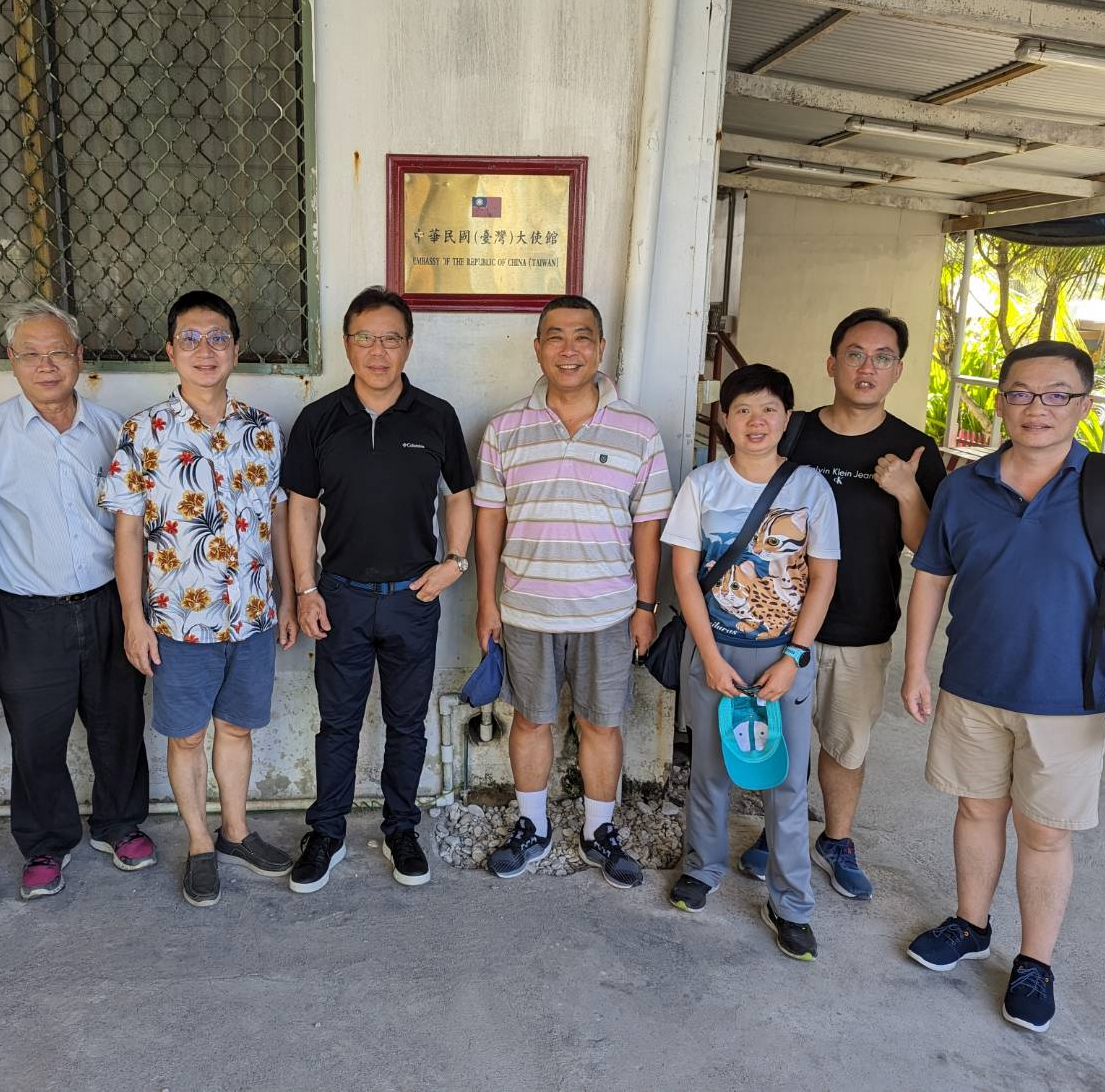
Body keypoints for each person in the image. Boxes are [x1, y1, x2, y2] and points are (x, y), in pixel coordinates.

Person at [901, 339, 1105, 1033]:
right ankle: (971, 925)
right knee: (975, 811)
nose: (1037, 408)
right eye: (1021, 393)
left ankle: (1035, 961)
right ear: (1000, 400)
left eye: (1057, 394)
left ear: (1083, 406)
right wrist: (915, 666)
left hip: (1068, 697)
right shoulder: (966, 486)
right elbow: (932, 576)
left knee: (1047, 835)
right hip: (971, 684)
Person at [0, 299, 153, 901]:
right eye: (31, 354)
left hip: (109, 604)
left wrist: (139, 608)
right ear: (11, 361)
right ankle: (44, 843)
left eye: (58, 352)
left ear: (79, 359)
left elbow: (137, 525)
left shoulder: (116, 430)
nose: (46, 365)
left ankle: (119, 824)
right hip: (24, 613)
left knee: (119, 722)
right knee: (36, 736)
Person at [737, 308, 944, 899]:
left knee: (844, 741)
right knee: (778, 733)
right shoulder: (793, 431)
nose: (867, 367)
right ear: (832, 363)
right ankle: (780, 829)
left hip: (861, 623)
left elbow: (928, 548)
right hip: (775, 620)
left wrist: (906, 492)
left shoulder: (913, 448)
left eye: (882, 357)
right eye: (855, 353)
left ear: (898, 370)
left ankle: (837, 838)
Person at [103, 290, 298, 908]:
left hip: (253, 617)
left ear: (237, 349)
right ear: (170, 351)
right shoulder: (144, 432)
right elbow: (127, 532)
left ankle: (236, 831)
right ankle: (200, 842)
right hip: (180, 621)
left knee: (237, 729)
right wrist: (134, 620)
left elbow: (281, 522)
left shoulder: (263, 431)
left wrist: (290, 599)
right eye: (190, 338)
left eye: (218, 338)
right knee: (186, 737)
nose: (205, 350)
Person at [475, 295, 672, 887]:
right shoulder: (505, 429)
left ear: (601, 348)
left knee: (601, 724)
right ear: (537, 348)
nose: (569, 349)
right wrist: (486, 601)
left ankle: (598, 832)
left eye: (582, 337)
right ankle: (532, 827)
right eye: (555, 337)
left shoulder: (639, 431)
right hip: (527, 608)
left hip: (608, 612)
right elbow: (490, 520)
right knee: (531, 720)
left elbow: (649, 528)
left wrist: (645, 607)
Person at [283, 286, 474, 893]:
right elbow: (301, 508)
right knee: (336, 723)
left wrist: (455, 562)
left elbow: (461, 495)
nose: (378, 350)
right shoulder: (320, 420)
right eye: (365, 338)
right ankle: (328, 832)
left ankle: (401, 828)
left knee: (407, 722)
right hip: (337, 596)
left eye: (391, 338)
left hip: (411, 599)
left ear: (408, 346)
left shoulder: (436, 415)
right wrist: (306, 588)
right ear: (347, 345)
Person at [662, 364, 839, 961]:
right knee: (710, 771)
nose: (756, 421)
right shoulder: (703, 484)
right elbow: (684, 576)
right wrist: (709, 657)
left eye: (768, 410)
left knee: (785, 782)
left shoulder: (810, 487)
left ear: (786, 419)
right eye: (742, 410)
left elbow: (822, 578)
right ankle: (702, 868)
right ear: (725, 420)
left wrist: (794, 656)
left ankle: (791, 903)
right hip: (714, 652)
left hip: (782, 659)